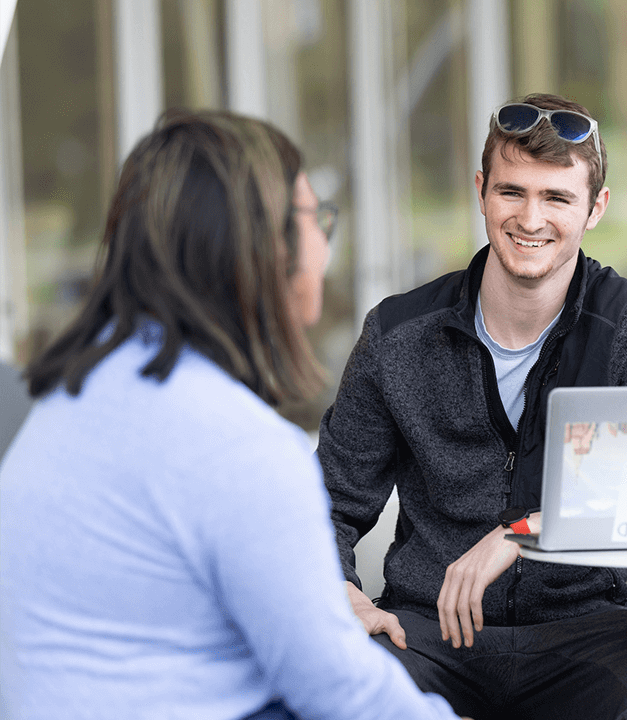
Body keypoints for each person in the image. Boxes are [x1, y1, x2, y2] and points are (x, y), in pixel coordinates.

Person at [0, 110, 460, 720]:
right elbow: (341, 693)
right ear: (261, 246)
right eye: (316, 218)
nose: (326, 245)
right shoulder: (237, 446)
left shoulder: (69, 403)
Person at [318, 93, 627, 720]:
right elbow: (328, 503)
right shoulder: (397, 334)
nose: (530, 218)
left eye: (556, 198)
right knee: (337, 687)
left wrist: (522, 531)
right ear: (481, 191)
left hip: (586, 627)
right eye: (512, 192)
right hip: (428, 632)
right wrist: (340, 591)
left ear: (595, 208)